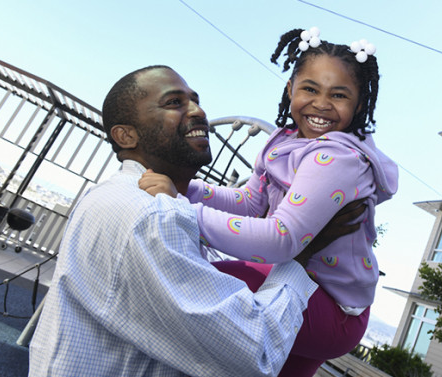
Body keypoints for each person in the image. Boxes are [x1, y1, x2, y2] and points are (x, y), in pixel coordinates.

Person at [28, 65, 364, 377]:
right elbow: (256, 353)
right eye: (174, 102)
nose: (197, 110)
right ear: (126, 136)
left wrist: (186, 198)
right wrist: (300, 259)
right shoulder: (154, 214)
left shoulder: (112, 196)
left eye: (195, 100)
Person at [140, 27, 399, 376]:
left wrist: (182, 210)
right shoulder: (284, 141)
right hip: (302, 283)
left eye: (339, 95)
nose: (321, 104)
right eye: (309, 88)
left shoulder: (338, 159)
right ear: (290, 88)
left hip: (331, 308)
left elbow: (280, 238)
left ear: (359, 105)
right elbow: (249, 203)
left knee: (197, 286)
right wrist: (190, 189)